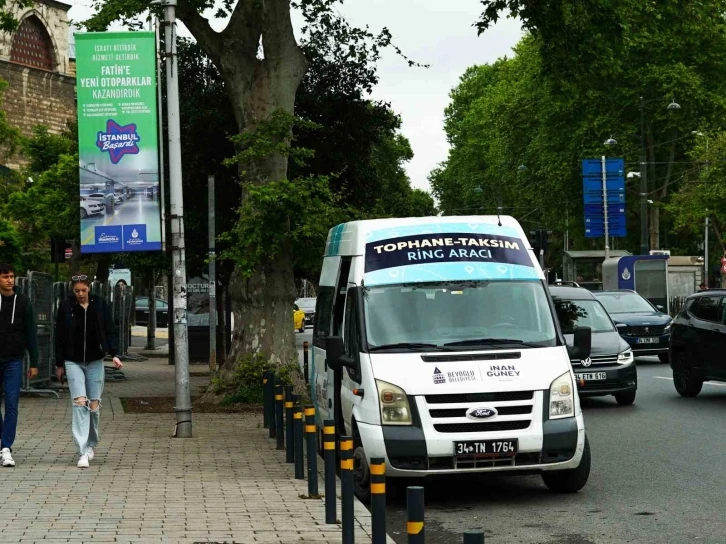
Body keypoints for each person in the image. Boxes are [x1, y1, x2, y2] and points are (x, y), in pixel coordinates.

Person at [54, 274, 123, 468]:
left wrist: (114, 354)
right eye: (77, 291)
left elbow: (110, 329)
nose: (81, 294)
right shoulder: (66, 306)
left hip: (95, 359)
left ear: (89, 289)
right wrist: (59, 363)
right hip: (72, 360)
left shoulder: (99, 304)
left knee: (94, 404)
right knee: (79, 403)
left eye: (84, 290)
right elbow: (59, 334)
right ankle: (82, 450)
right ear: (72, 291)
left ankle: (92, 443)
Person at [0, 262, 39, 467]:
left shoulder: (23, 302)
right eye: (5, 276)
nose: (9, 280)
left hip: (14, 359)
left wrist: (34, 361)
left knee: (12, 403)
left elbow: (31, 332)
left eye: (11, 276)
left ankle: (6, 447)